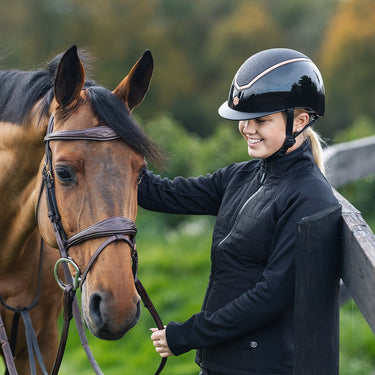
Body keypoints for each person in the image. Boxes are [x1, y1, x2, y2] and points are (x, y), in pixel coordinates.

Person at [138, 48, 338, 375]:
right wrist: (112, 139)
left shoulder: (310, 198)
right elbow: (164, 194)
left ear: (300, 121)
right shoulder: (242, 175)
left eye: (261, 120)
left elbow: (270, 296)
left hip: (260, 368)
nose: (247, 128)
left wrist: (187, 334)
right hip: (221, 362)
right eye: (244, 119)